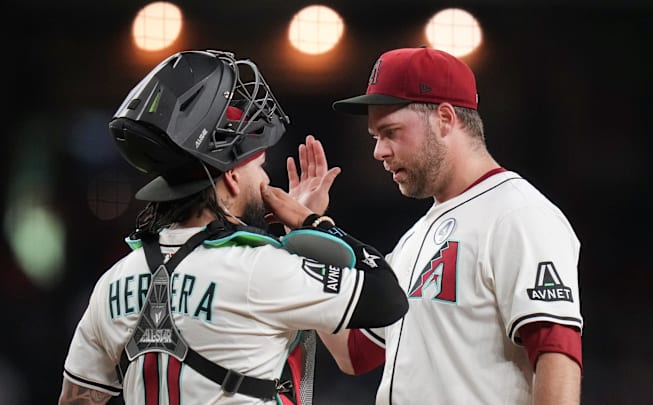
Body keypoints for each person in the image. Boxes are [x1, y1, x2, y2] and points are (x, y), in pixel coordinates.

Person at [57, 49, 408, 405]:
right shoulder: (259, 269)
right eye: (260, 165)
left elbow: (76, 399)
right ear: (234, 177)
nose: (266, 179)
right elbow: (387, 298)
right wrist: (311, 224)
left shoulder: (114, 281)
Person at [319, 46, 584, 404]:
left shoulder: (518, 214)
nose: (378, 151)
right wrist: (305, 237)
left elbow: (557, 352)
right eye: (374, 137)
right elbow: (355, 351)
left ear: (444, 119)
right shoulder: (414, 239)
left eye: (390, 132)